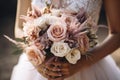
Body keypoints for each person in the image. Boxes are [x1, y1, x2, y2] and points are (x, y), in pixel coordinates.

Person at [11, 0, 120, 80]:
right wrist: (36, 59)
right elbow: (20, 27)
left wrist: (81, 64)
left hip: (87, 67)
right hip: (37, 70)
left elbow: (117, 33)